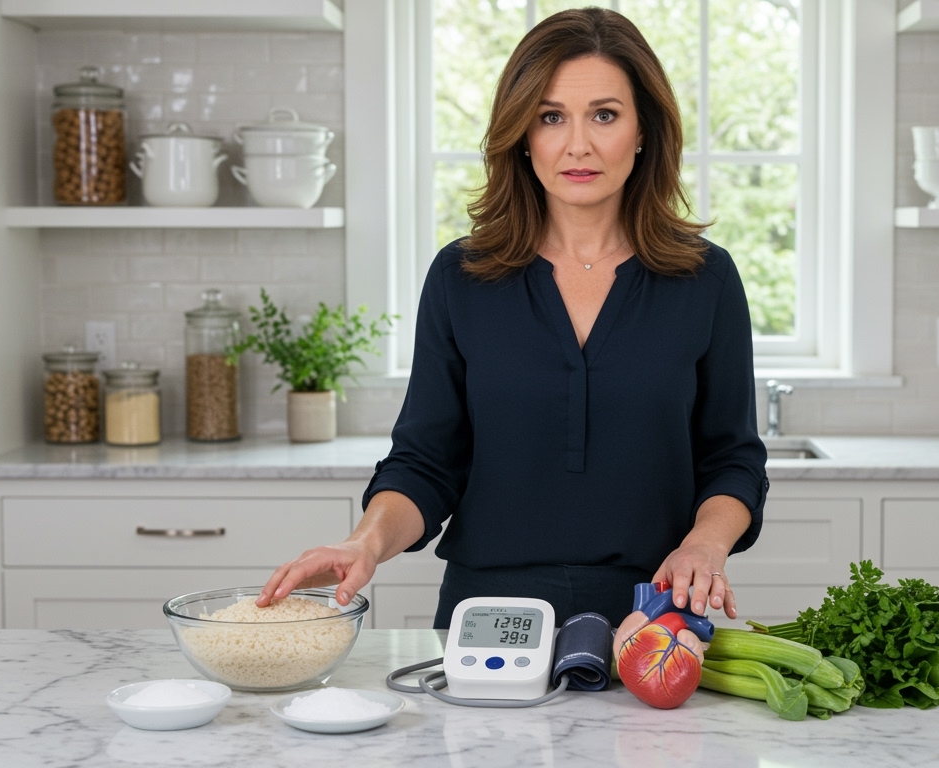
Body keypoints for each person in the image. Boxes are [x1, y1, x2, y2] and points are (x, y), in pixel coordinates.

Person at [257, 8, 767, 643]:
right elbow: (426, 463)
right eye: (551, 116)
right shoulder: (462, 277)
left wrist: (704, 545)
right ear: (522, 135)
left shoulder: (706, 279)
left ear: (643, 132)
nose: (577, 144)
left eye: (604, 115)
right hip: (489, 619)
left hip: (653, 621)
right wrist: (366, 543)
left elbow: (732, 460)